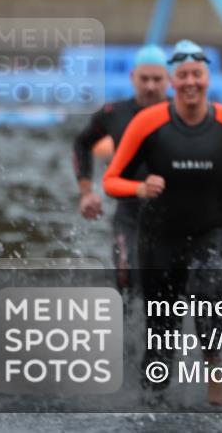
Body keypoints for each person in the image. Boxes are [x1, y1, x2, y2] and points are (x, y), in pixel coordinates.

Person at [103, 40, 222, 406]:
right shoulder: (148, 123)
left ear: (208, 78)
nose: (190, 82)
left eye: (197, 74)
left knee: (207, 293)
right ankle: (153, 399)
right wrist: (139, 187)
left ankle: (214, 370)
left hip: (217, 227)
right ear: (171, 82)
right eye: (182, 76)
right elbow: (112, 180)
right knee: (161, 329)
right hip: (159, 235)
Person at [73, 45, 169, 295]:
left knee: (167, 283)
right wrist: (86, 193)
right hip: (130, 209)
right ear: (132, 78)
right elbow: (82, 143)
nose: (150, 86)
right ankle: (127, 331)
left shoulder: (180, 113)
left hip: (173, 211)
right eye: (144, 79)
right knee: (126, 275)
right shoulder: (114, 113)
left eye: (157, 79)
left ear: (168, 80)